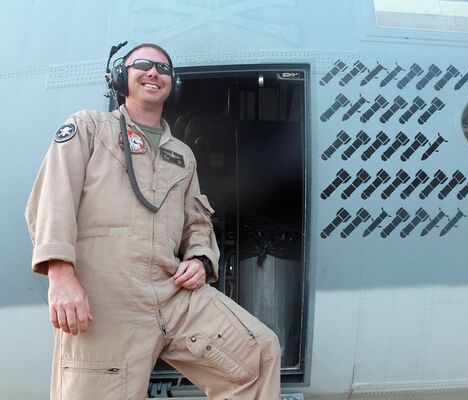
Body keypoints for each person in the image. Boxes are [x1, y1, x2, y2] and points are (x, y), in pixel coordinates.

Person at [25, 43, 281, 400]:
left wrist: (200, 258)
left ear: (172, 84)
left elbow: (198, 222)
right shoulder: (87, 127)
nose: (153, 72)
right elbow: (52, 199)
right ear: (119, 78)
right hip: (107, 293)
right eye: (141, 65)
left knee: (258, 354)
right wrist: (61, 276)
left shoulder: (183, 155)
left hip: (170, 289)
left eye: (163, 68)